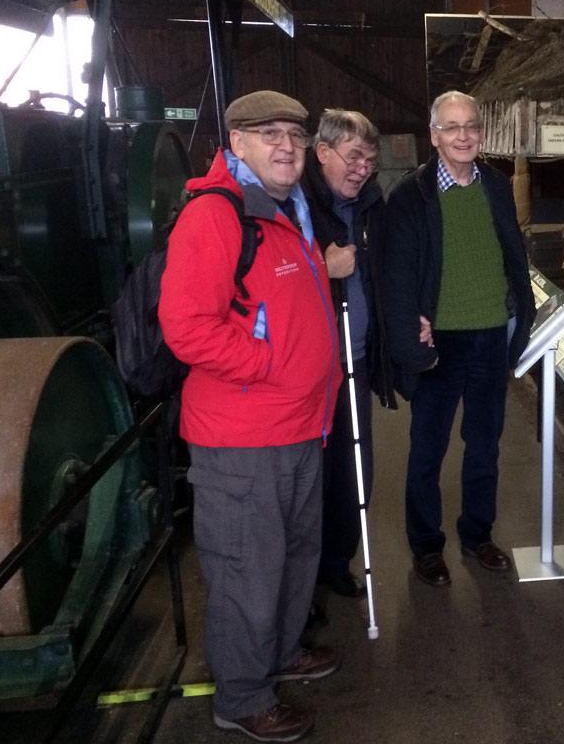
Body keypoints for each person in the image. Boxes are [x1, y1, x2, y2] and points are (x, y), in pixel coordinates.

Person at [159, 90, 341, 742]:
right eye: (268, 134)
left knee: (293, 557)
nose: (286, 145)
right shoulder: (216, 216)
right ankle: (240, 696)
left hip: (297, 427)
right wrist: (267, 364)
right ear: (236, 144)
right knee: (246, 571)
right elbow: (185, 328)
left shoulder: (284, 209)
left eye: (294, 132)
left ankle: (280, 655)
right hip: (243, 440)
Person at [381, 90, 534, 588]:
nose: (463, 135)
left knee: (484, 444)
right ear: (434, 135)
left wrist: (520, 310)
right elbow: (397, 276)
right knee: (428, 449)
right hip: (439, 343)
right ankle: (427, 546)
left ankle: (477, 534)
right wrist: (411, 332)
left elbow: (510, 252)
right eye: (451, 127)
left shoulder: (495, 185)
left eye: (470, 126)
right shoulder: (412, 196)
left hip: (490, 336)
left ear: (480, 134)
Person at [303, 109, 401, 612]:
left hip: (356, 360)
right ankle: (305, 579)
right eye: (354, 156)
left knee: (354, 468)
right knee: (307, 474)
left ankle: (336, 561)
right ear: (323, 153)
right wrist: (323, 268)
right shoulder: (297, 202)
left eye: (370, 159)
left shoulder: (370, 206)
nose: (364, 167)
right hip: (306, 370)